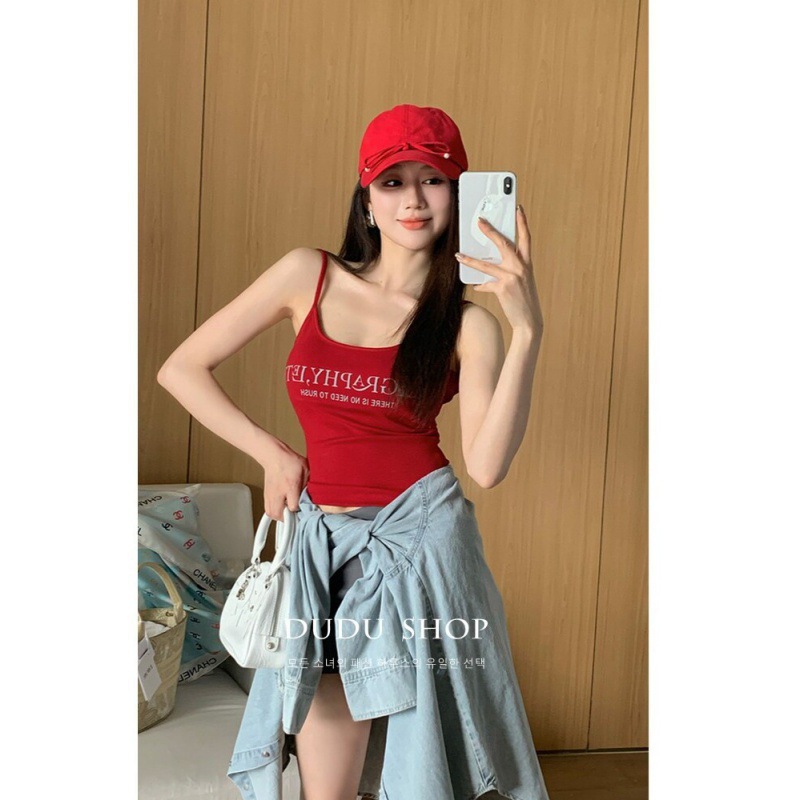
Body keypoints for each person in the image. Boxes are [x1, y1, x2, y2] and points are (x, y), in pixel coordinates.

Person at [158, 104, 547, 800]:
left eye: (433, 179)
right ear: (367, 198)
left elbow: (487, 467)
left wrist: (527, 332)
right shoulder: (307, 275)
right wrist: (272, 452)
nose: (413, 199)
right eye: (393, 181)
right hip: (321, 554)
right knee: (326, 788)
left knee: (421, 773)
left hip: (420, 552)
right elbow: (181, 368)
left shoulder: (469, 326)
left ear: (458, 195)